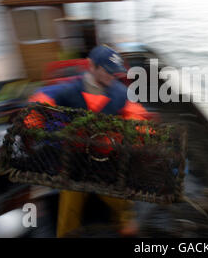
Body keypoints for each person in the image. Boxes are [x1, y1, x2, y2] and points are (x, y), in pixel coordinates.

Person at [27, 45, 150, 237]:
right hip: (74, 161)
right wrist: (39, 126)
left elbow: (136, 115)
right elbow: (38, 104)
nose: (113, 77)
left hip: (105, 160)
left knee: (119, 198)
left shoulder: (120, 93)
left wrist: (139, 134)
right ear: (92, 66)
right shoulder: (67, 91)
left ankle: (126, 224)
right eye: (107, 71)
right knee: (69, 209)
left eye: (116, 73)